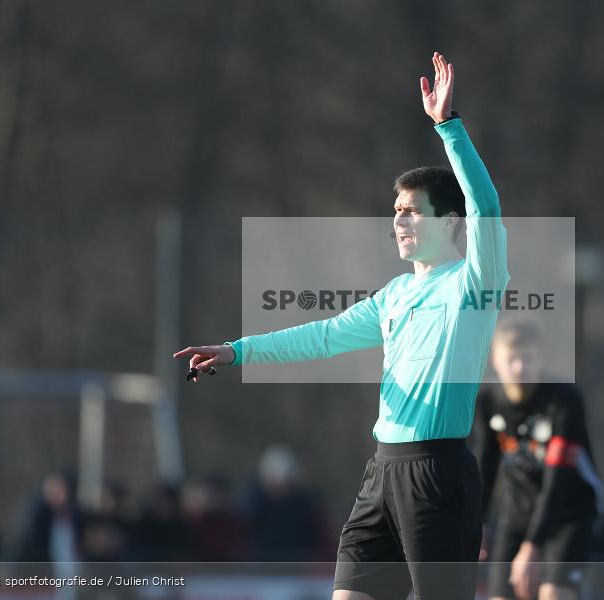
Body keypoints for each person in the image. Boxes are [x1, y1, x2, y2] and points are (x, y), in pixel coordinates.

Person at [174, 51, 509, 599]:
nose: (398, 220)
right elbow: (323, 336)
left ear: (450, 222)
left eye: (411, 211)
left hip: (438, 476)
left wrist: (448, 127)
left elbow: (487, 207)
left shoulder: (474, 285)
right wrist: (238, 350)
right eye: (395, 210)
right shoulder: (395, 295)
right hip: (381, 475)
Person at [474, 320, 603, 600]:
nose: (520, 367)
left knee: (552, 593)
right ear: (495, 361)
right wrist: (478, 522)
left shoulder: (564, 400)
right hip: (516, 514)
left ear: (540, 357)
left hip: (567, 516)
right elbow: (486, 463)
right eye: (512, 359)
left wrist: (532, 545)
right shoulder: (487, 401)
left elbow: (557, 479)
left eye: (527, 358)